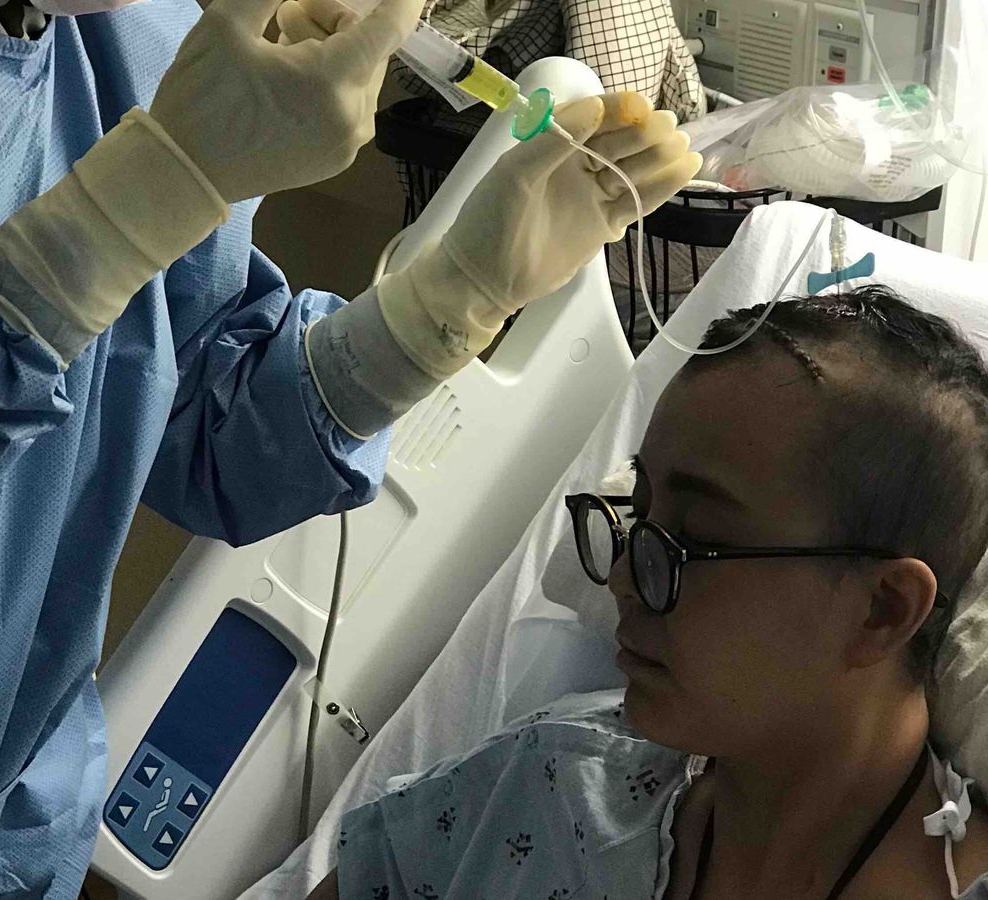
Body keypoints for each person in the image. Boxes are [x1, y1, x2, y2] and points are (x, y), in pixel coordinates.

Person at [0, 0, 699, 895]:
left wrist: (449, 299)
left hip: (5, 824)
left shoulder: (135, 39)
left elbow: (210, 430)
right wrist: (159, 180)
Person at [308, 286, 988, 899]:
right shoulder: (548, 784)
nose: (624, 580)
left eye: (695, 539)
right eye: (639, 512)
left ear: (882, 610)